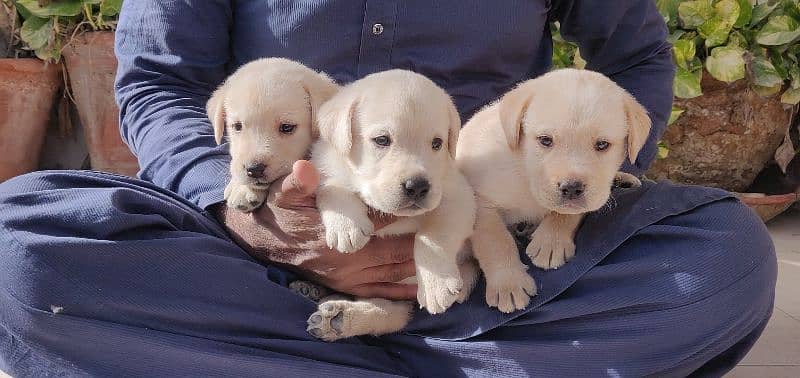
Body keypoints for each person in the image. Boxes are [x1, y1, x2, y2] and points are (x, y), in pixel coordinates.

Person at [0, 1, 777, 376]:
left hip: (485, 228)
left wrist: (576, 173)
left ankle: (280, 356)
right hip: (253, 234)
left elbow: (637, 60)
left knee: (723, 262)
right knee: (21, 248)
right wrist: (245, 213)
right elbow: (160, 84)